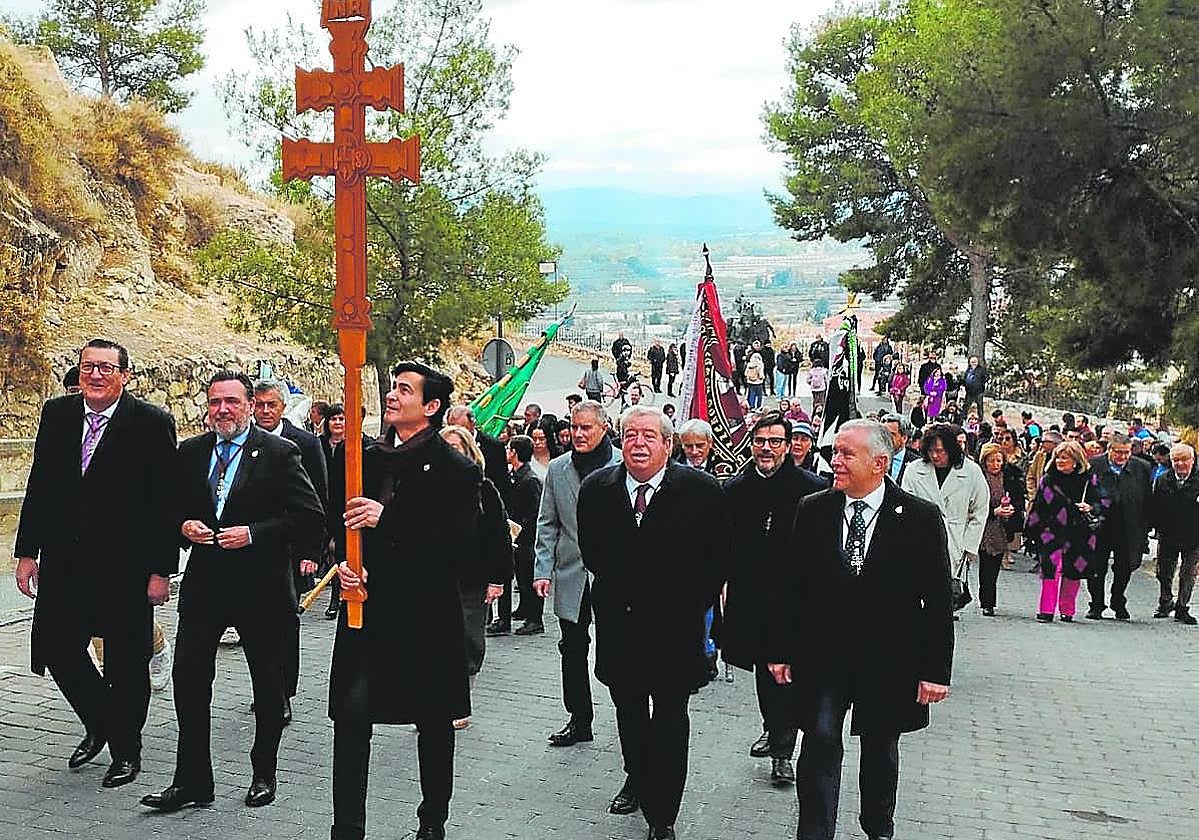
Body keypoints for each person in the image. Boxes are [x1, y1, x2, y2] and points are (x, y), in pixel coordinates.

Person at [142, 371, 324, 812]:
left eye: (232, 402)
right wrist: (183, 525)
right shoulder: (192, 452)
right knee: (187, 679)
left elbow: (309, 516)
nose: (223, 409)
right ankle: (192, 781)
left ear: (248, 406)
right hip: (206, 586)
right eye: (215, 402)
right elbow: (166, 507)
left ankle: (264, 772)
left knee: (267, 684)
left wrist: (255, 533)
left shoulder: (280, 453)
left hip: (261, 587)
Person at [768, 420, 954, 840]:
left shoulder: (919, 519)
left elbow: (937, 602)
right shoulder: (814, 509)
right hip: (822, 657)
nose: (835, 461)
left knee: (880, 752)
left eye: (847, 454)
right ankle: (814, 832)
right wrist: (779, 649)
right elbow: (791, 587)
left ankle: (878, 829)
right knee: (818, 743)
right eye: (834, 452)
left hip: (888, 661)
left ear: (880, 463)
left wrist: (935, 670)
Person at [326, 361, 482, 840]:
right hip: (366, 613)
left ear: (431, 407)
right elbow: (338, 524)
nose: (392, 395)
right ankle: (347, 827)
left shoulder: (455, 469)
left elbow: (455, 544)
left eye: (405, 390)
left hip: (426, 617)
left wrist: (386, 521)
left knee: (433, 724)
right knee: (351, 719)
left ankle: (432, 819)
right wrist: (345, 567)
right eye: (392, 387)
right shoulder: (359, 458)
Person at [15, 339, 177, 789]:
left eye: (107, 368)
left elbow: (166, 503)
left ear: (124, 375)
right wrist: (27, 551)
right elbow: (40, 484)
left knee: (125, 661)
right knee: (55, 646)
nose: (96, 375)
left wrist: (161, 570)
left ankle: (127, 751)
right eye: (89, 367)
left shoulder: (150, 423)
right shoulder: (58, 415)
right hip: (65, 562)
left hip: (125, 567)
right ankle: (101, 721)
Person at [577, 405, 733, 840]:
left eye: (649, 436)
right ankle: (637, 777)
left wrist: (685, 601)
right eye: (630, 435)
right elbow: (593, 551)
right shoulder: (597, 489)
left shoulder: (701, 491)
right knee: (628, 709)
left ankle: (662, 813)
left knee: (669, 716)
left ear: (669, 445)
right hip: (620, 625)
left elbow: (718, 558)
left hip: (675, 629)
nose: (638, 443)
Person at [723, 413, 825, 785]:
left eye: (775, 441)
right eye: (760, 441)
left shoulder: (811, 489)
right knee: (765, 673)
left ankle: (784, 752)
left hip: (795, 600)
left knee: (785, 674)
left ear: (787, 446)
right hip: (751, 598)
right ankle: (773, 726)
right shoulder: (735, 489)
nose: (767, 448)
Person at [534, 401, 621, 751]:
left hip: (615, 577)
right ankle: (579, 718)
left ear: (603, 428)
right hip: (572, 574)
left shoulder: (623, 463)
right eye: (574, 427)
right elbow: (547, 523)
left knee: (618, 649)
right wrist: (542, 571)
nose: (578, 434)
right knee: (571, 648)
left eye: (587, 427)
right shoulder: (558, 469)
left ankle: (628, 715)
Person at [252, 378, 329, 726]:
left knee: (284, 622)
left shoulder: (306, 443)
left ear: (283, 407)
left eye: (272, 405)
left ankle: (284, 692)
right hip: (250, 548)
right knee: (255, 623)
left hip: (291, 549)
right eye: (260, 405)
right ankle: (264, 689)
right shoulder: (243, 440)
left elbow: (318, 501)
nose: (265, 411)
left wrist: (311, 551)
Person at [439, 425, 511, 730]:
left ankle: (460, 702)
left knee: (467, 639)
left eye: (457, 447)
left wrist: (497, 579)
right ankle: (434, 703)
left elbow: (499, 536)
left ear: (469, 452)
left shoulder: (484, 489)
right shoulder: (424, 487)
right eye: (446, 447)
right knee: (436, 640)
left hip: (471, 578)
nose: (451, 453)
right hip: (436, 577)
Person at [901, 424, 989, 617]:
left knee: (944, 590)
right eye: (931, 451)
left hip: (954, 538)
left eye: (940, 451)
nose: (935, 456)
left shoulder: (971, 472)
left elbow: (980, 510)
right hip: (919, 536)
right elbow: (905, 504)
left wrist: (969, 545)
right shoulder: (914, 470)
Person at [1024, 440, 1109, 623]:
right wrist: (1031, 530)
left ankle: (1067, 609)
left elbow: (1104, 501)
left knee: (1073, 571)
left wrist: (1090, 507)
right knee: (1050, 569)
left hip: (1079, 532)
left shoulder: (1088, 479)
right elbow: (1038, 505)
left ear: (1076, 461)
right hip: (1051, 530)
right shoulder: (1048, 479)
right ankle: (1046, 610)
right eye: (1058, 458)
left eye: (1065, 458)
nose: (1060, 461)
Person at [1086, 433, 1151, 621]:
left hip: (1129, 526)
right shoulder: (1095, 465)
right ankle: (1096, 604)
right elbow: (1088, 492)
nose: (1122, 457)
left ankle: (1117, 599)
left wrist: (1145, 527)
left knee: (1124, 567)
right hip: (1101, 525)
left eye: (1126, 453)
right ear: (1109, 450)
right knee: (1097, 566)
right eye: (1118, 452)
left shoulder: (1142, 468)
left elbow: (1147, 498)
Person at [489, 435, 543, 636]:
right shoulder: (515, 476)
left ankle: (534, 619)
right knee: (516, 575)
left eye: (509, 449)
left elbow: (534, 512)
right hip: (513, 534)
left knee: (527, 577)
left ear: (514, 453)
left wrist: (519, 531)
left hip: (524, 539)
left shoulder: (530, 480)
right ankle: (520, 612)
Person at [1150, 443, 1199, 624]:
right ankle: (1165, 602)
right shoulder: (1163, 479)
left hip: (1194, 536)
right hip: (1168, 534)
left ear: (1192, 460)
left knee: (1188, 574)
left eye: (1184, 459)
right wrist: (1156, 527)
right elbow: (1155, 506)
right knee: (1163, 571)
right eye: (1176, 460)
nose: (1180, 464)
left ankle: (1182, 607)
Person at [976, 443, 1025, 616]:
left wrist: (1012, 509)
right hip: (983, 526)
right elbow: (974, 504)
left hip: (1002, 527)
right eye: (991, 461)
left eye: (999, 460)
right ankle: (985, 601)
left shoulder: (1010, 477)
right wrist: (992, 511)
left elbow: (1019, 500)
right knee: (985, 565)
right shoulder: (979, 478)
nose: (995, 464)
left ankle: (989, 600)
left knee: (994, 565)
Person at [881, 413, 919, 484]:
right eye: (884, 433)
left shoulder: (916, 463)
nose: (886, 438)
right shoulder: (874, 459)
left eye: (891, 434)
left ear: (904, 438)